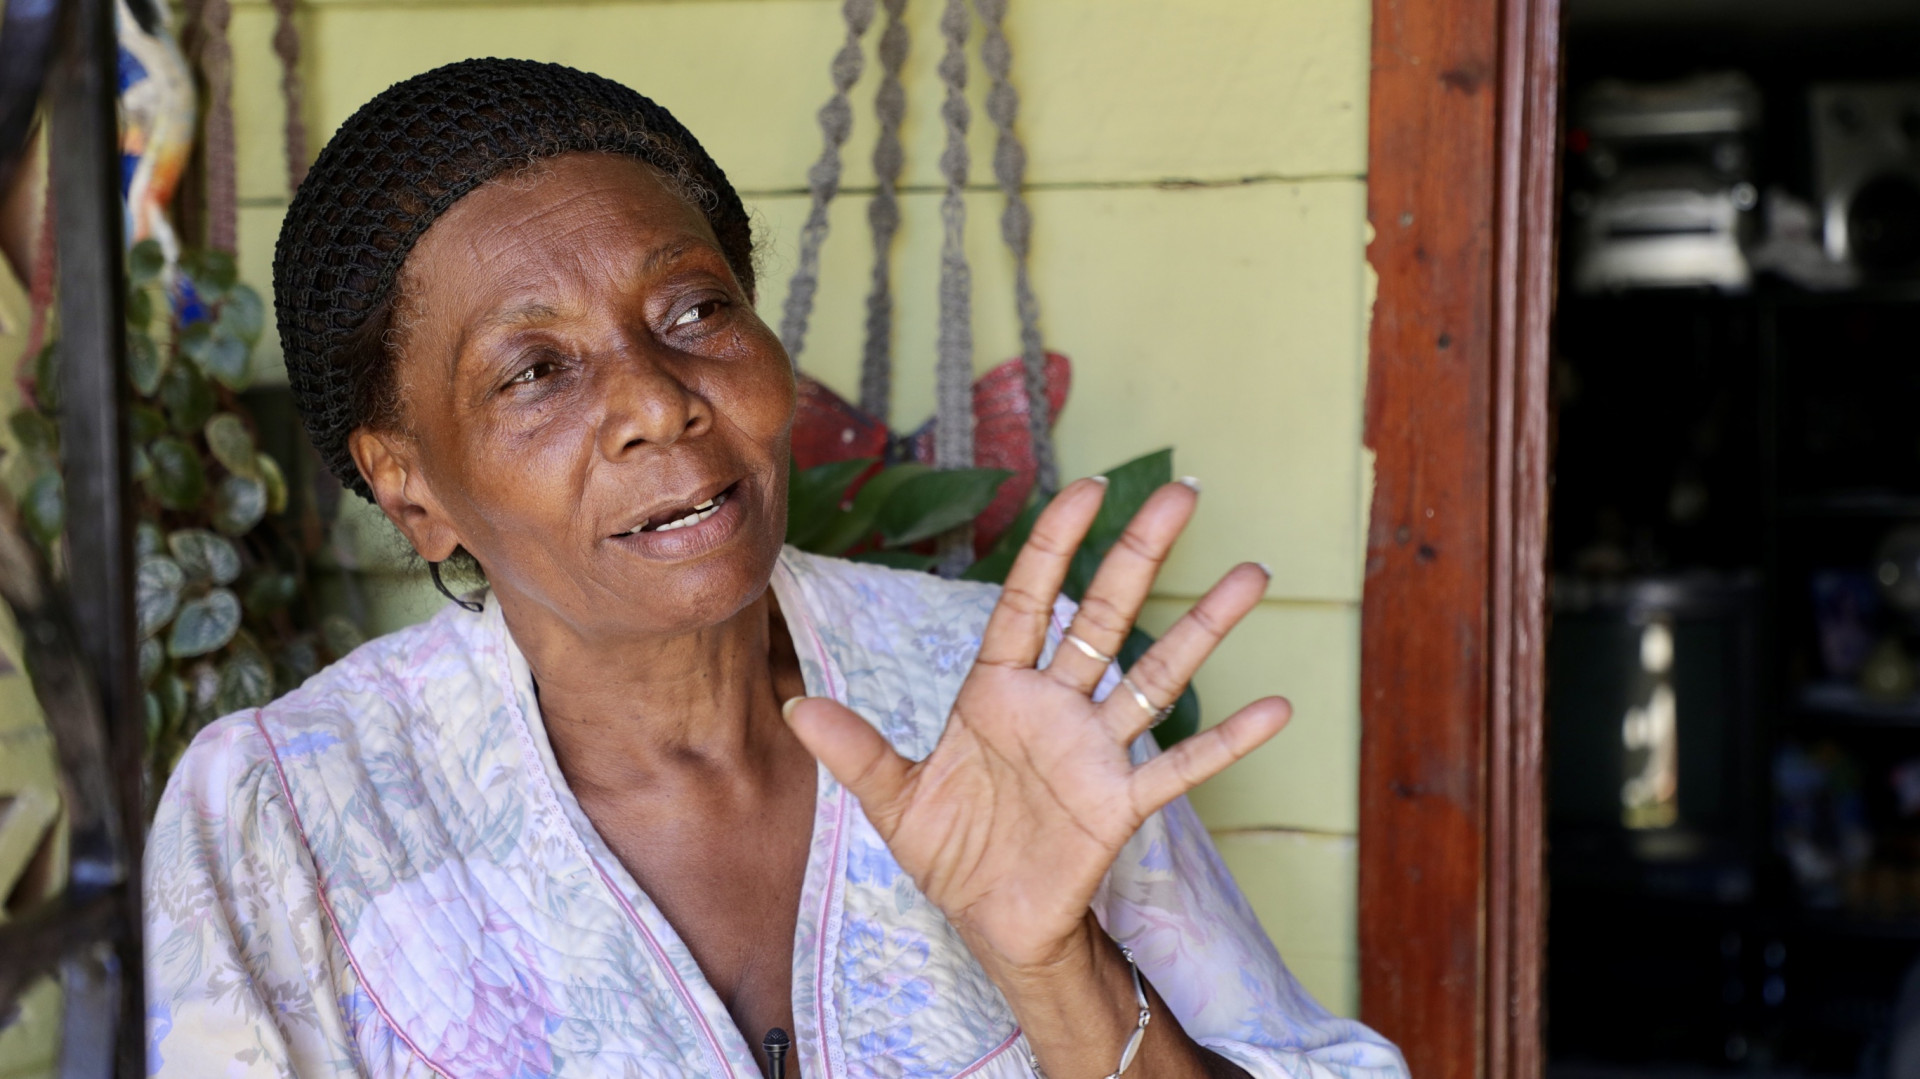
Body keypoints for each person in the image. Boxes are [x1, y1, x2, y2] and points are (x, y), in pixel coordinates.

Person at [144, 58, 1408, 1079]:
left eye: (695, 311)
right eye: (535, 371)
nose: (659, 400)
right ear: (411, 488)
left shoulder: (1001, 685)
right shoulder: (288, 814)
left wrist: (1056, 968)